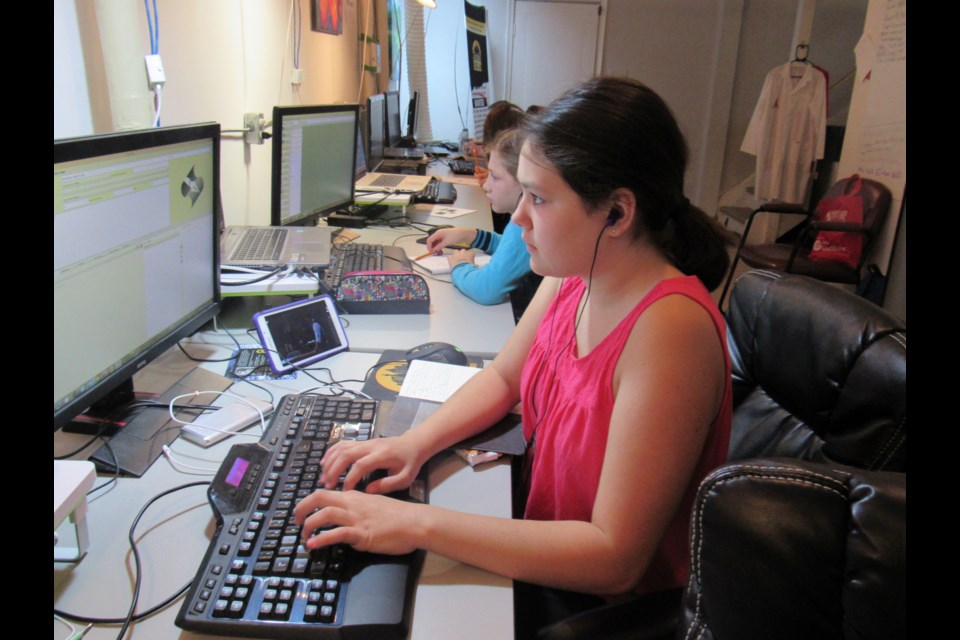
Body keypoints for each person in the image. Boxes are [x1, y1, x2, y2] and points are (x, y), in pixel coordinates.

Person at [294, 77, 733, 637]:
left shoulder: (670, 330)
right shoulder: (576, 271)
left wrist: (416, 522)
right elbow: (504, 378)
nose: (518, 218)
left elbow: (615, 558)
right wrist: (411, 445)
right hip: (543, 549)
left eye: (540, 198)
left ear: (618, 214)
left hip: (600, 607)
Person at [426, 128, 542, 318]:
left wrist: (460, 265)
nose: (486, 185)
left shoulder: (525, 223)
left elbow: (486, 289)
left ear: (524, 181)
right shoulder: (528, 222)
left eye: (495, 177)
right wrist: (471, 235)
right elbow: (510, 248)